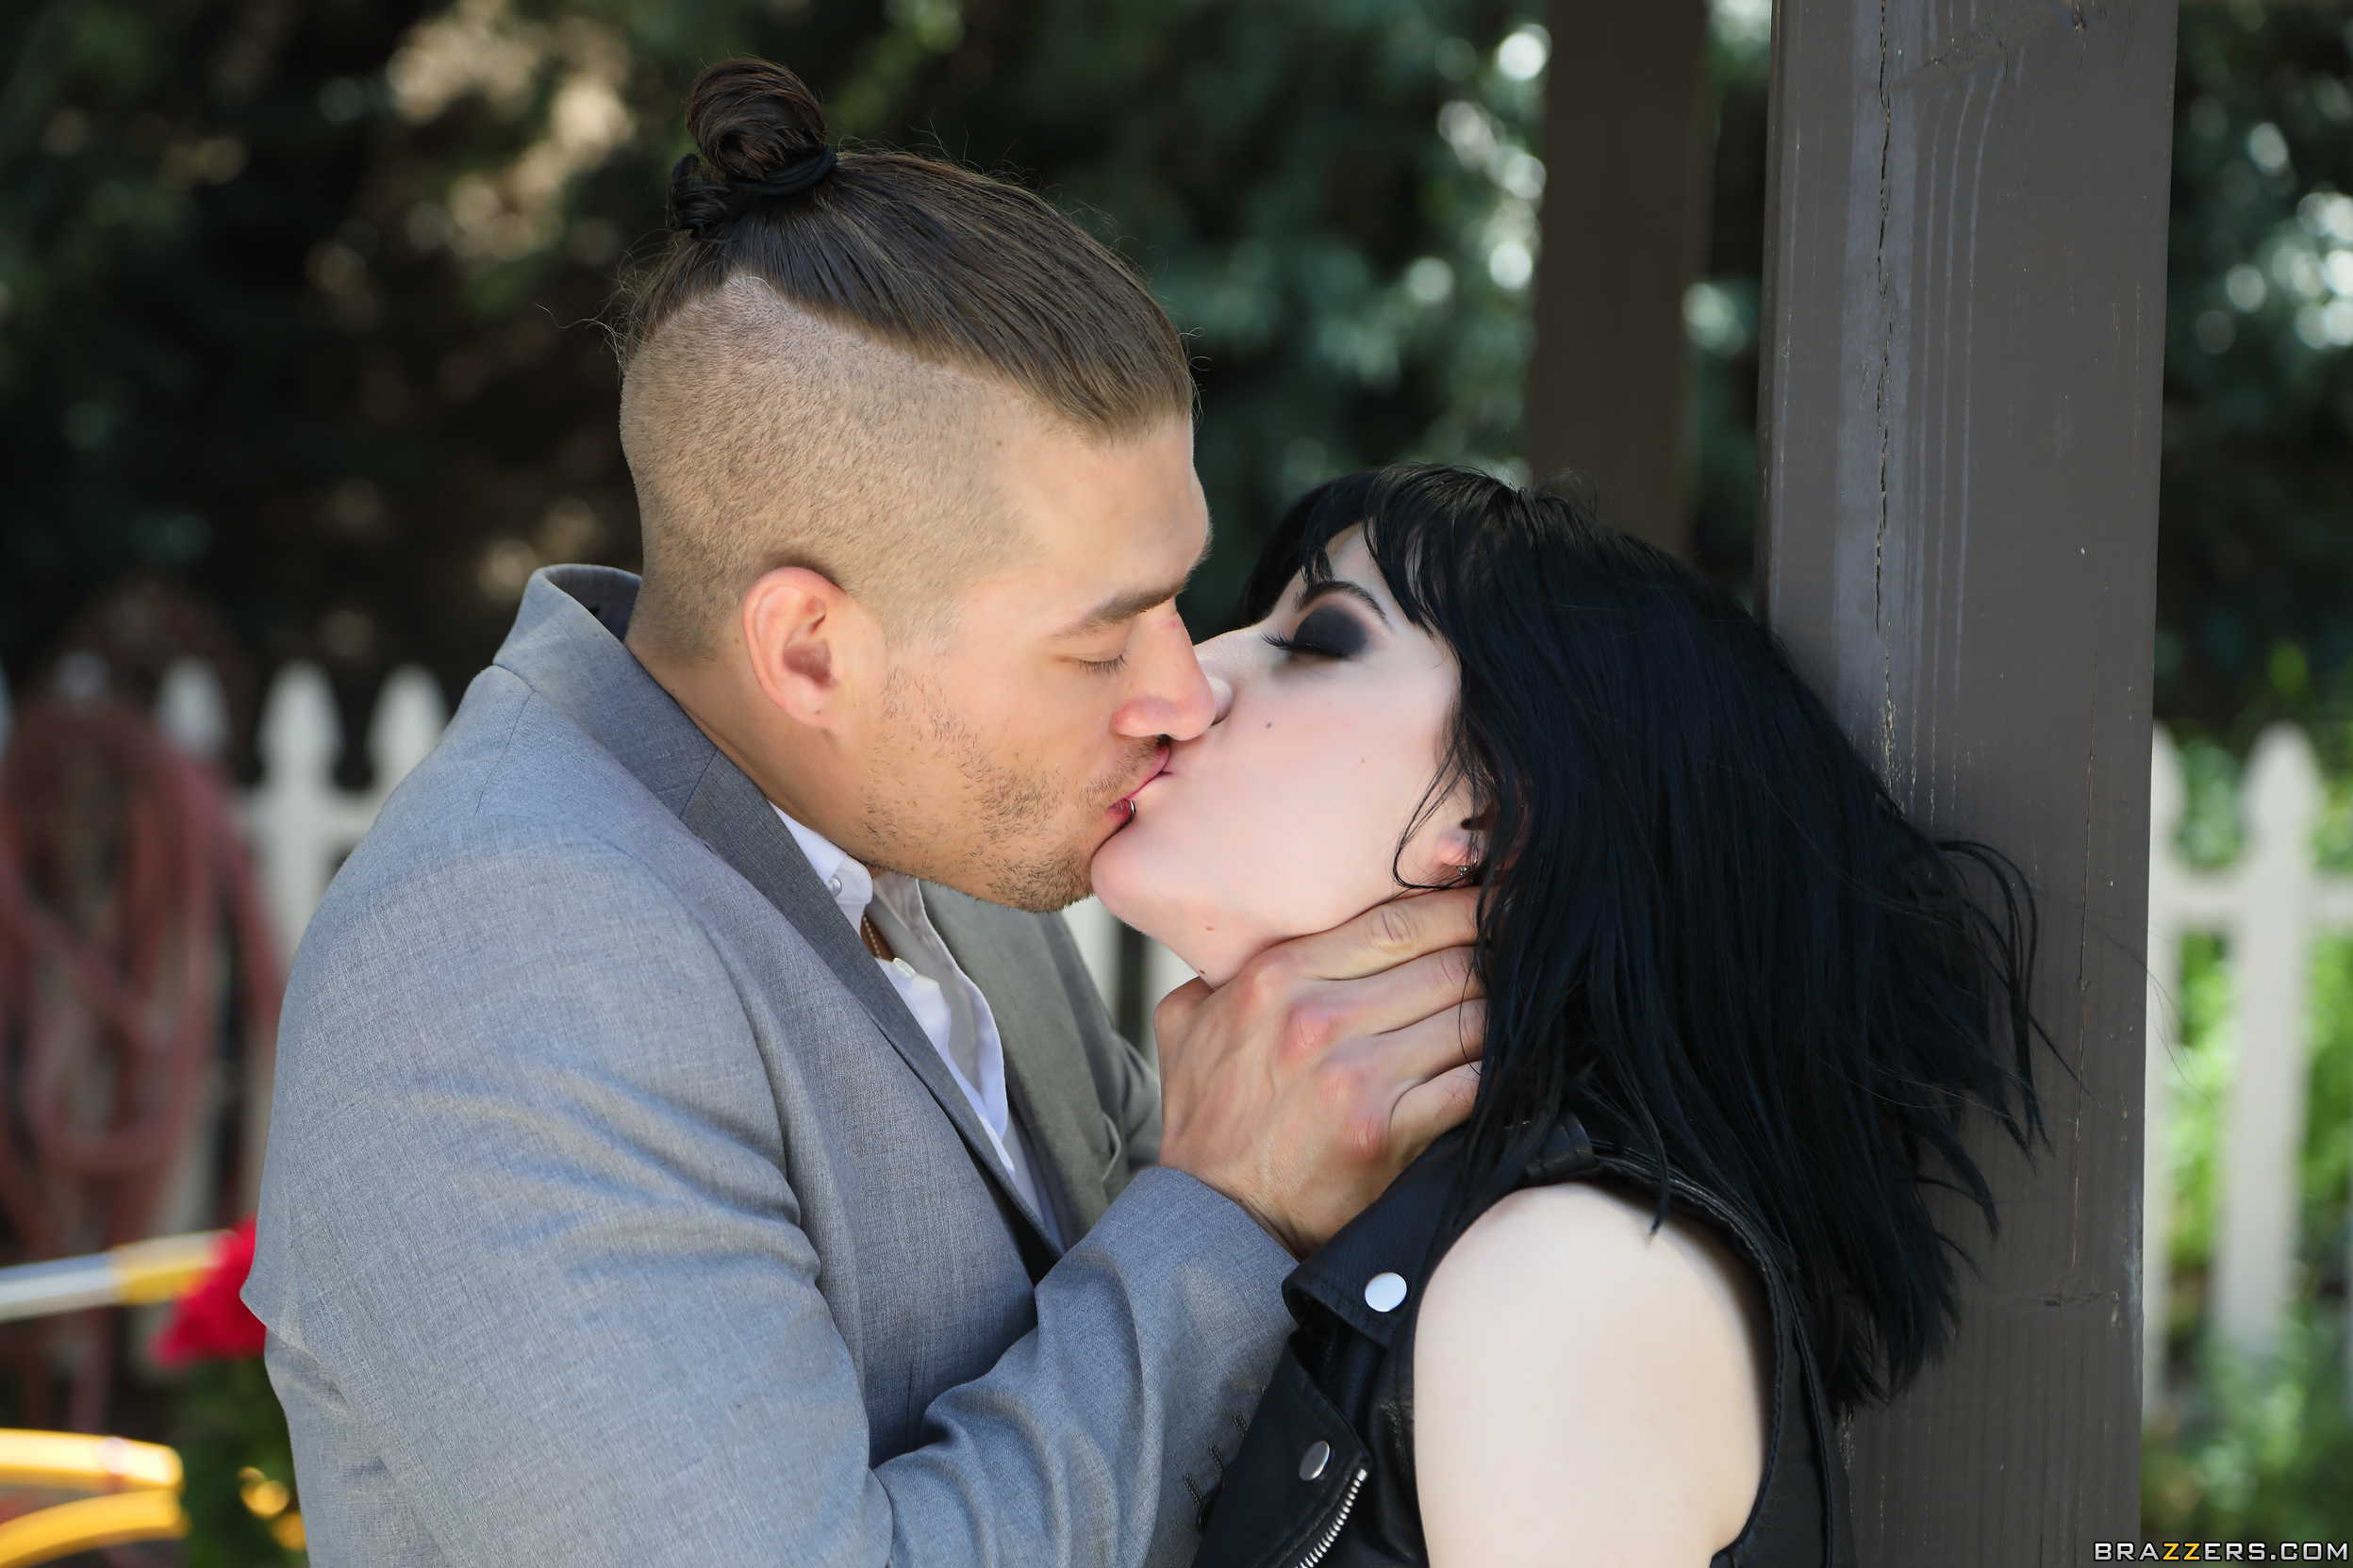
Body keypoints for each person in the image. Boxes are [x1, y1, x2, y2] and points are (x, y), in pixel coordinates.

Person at [239, 59, 1486, 1568]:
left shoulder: (923, 814)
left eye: (1174, 596)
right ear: (812, 650)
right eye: (1098, 639)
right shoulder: (499, 961)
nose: (1182, 688)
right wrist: (1222, 1210)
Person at [1088, 464, 2057, 1567]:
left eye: (1318, 639)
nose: (1191, 678)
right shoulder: (1461, 1246)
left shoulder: (1552, 1282)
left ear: (1501, 813)